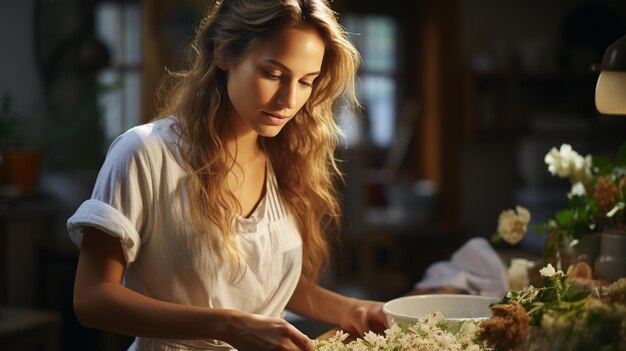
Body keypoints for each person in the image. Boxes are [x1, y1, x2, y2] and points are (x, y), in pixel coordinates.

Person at [67, 0, 388, 350]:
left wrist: (351, 309)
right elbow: (92, 299)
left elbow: (257, 279)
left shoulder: (287, 159)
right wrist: (231, 327)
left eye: (306, 82)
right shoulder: (146, 153)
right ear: (223, 53)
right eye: (273, 74)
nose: (288, 99)